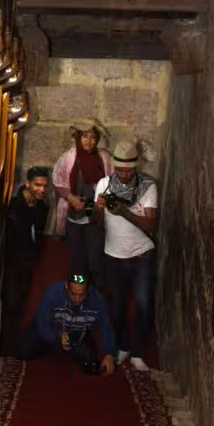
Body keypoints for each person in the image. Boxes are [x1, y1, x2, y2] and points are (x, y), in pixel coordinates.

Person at [92, 138, 158, 372]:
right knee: (117, 306)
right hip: (113, 255)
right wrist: (99, 208)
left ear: (135, 168)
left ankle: (139, 353)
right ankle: (122, 347)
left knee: (142, 305)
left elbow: (150, 224)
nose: (124, 174)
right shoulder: (103, 184)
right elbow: (95, 223)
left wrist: (124, 212)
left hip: (142, 255)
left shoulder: (148, 186)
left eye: (128, 170)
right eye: (119, 169)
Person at [52, 118, 113, 283]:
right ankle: (77, 291)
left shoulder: (104, 158)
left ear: (97, 139)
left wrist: (102, 199)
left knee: (95, 259)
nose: (88, 141)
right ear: (78, 138)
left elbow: (112, 182)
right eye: (84, 136)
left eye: (92, 137)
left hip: (95, 217)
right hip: (74, 217)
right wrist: (71, 198)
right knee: (77, 261)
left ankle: (95, 292)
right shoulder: (68, 157)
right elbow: (57, 179)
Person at [19, 271, 115, 374]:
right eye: (73, 294)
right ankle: (53, 347)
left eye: (82, 295)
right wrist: (56, 336)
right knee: (23, 352)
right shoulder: (52, 292)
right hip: (53, 329)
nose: (77, 299)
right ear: (66, 287)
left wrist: (109, 354)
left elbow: (106, 327)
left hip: (77, 333)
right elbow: (42, 322)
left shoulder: (98, 299)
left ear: (88, 290)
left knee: (89, 362)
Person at [0, 167, 50, 354]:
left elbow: (38, 234)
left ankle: (13, 343)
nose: (42, 190)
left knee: (21, 301)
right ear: (28, 183)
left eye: (45, 186)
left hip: (29, 262)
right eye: (38, 185)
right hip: (11, 261)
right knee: (10, 302)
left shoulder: (43, 207)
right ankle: (5, 344)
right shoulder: (12, 204)